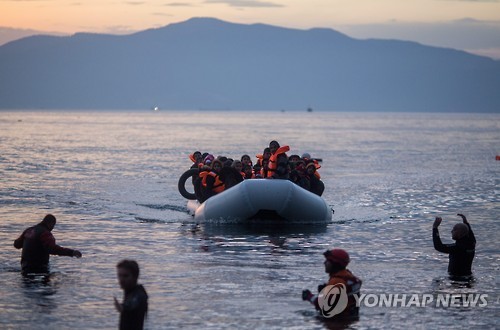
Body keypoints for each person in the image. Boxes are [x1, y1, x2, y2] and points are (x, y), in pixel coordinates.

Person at [302, 249, 362, 320]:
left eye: (327, 261)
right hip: (351, 318)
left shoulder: (336, 281)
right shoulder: (349, 277)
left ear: (335, 263)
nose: (324, 263)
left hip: (336, 322)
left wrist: (309, 296)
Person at [13, 214, 82, 274]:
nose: (52, 228)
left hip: (25, 266)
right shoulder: (45, 233)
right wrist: (72, 252)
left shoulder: (29, 230)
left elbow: (17, 244)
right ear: (50, 223)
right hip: (39, 268)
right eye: (53, 226)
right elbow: (52, 249)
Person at [433, 214, 476, 278]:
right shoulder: (472, 243)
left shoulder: (457, 248)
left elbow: (438, 246)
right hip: (468, 276)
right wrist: (466, 222)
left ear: (459, 233)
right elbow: (469, 232)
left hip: (456, 279)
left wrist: (435, 228)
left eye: (454, 229)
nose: (451, 231)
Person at [114, 260, 148, 330]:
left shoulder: (139, 294)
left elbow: (133, 303)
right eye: (119, 275)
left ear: (135, 277)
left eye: (125, 276)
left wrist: (123, 307)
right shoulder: (129, 292)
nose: (121, 280)